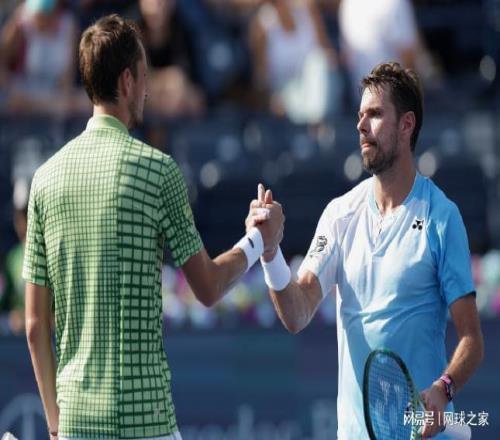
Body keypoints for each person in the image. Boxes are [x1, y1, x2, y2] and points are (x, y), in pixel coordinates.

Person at [23, 14, 283, 440]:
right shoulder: (158, 172)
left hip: (74, 423)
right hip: (146, 423)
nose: (147, 90)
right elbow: (208, 287)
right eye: (145, 77)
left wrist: (55, 425)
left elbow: (35, 325)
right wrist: (259, 241)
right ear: (127, 81)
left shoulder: (44, 181)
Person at [251, 62, 484, 438]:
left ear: (406, 125)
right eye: (360, 115)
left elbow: (471, 339)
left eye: (374, 114)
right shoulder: (339, 215)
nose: (361, 125)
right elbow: (296, 313)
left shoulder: (442, 217)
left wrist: (444, 388)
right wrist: (270, 253)